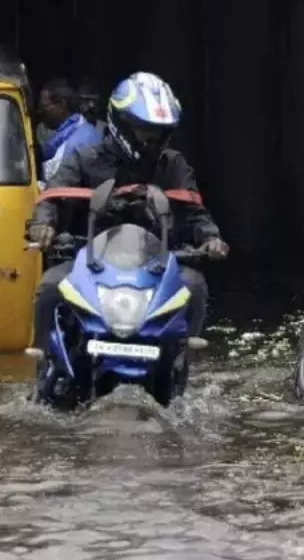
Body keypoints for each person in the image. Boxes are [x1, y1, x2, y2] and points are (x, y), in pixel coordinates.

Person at [26, 71, 228, 353]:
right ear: (121, 123)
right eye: (145, 128)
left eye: (158, 130)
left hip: (155, 264)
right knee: (50, 286)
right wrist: (43, 224)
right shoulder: (84, 158)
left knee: (193, 285)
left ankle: (181, 361)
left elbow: (195, 211)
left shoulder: (173, 164)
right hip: (90, 260)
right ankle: (45, 360)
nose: (152, 137)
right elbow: (52, 197)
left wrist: (210, 238)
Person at [37, 77, 103, 183]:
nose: (40, 111)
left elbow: (60, 188)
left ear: (62, 105)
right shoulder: (81, 131)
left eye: (44, 107)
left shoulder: (78, 143)